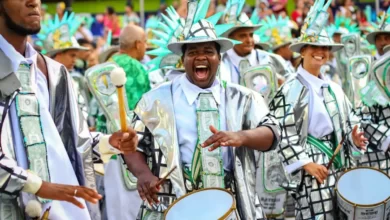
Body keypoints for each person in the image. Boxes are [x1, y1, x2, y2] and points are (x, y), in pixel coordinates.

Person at [109, 5, 282, 219]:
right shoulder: (155, 100)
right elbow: (131, 145)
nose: (201, 57)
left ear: (219, 58)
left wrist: (240, 136)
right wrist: (143, 174)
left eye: (208, 51)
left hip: (231, 205)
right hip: (173, 205)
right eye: (193, 52)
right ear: (183, 59)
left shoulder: (243, 98)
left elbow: (272, 133)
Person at [0, 0, 102, 219]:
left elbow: (71, 142)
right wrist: (40, 186)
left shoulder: (54, 72)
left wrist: (110, 142)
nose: (33, 2)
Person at [268, 1, 367, 219]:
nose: (321, 52)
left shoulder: (333, 88)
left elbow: (351, 120)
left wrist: (355, 137)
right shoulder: (290, 89)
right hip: (311, 170)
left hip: (338, 163)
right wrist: (306, 163)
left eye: (325, 48)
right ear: (302, 51)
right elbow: (279, 131)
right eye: (314, 47)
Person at [219, 0, 291, 85]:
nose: (249, 40)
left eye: (251, 35)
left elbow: (290, 83)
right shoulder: (220, 61)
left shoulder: (271, 59)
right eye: (242, 36)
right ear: (230, 38)